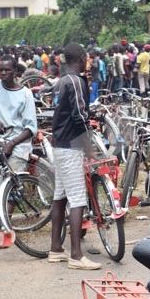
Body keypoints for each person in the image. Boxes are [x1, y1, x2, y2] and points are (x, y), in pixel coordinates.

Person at [48, 43, 101, 270]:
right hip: (71, 146)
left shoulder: (60, 83)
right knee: (78, 199)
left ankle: (55, 249)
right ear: (82, 58)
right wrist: (88, 147)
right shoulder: (76, 82)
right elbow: (80, 116)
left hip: (59, 144)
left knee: (60, 196)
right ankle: (76, 255)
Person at [0, 57, 38, 247]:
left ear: (15, 72)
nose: (3, 73)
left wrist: (12, 143)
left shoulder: (25, 94)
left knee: (11, 188)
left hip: (18, 144)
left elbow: (30, 128)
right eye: (0, 70)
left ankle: (5, 228)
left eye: (7, 70)